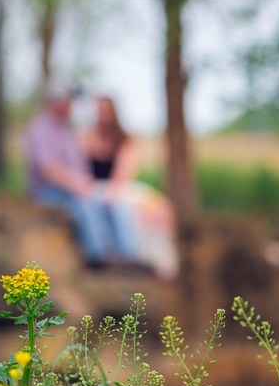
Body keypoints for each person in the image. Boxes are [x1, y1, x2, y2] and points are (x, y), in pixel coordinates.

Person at [24, 86, 140, 267]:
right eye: (68, 101)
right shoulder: (41, 129)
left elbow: (81, 166)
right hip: (49, 190)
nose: (71, 105)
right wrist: (76, 183)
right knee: (87, 204)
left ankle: (126, 255)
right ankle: (99, 256)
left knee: (110, 203)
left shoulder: (67, 130)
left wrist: (84, 183)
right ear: (57, 103)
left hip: (76, 188)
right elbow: (47, 168)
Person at [81, 95, 179, 279]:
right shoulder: (86, 138)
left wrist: (113, 191)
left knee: (160, 208)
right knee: (120, 208)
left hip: (117, 187)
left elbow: (123, 174)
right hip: (94, 188)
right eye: (99, 110)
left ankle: (158, 264)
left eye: (105, 110)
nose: (102, 114)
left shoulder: (125, 140)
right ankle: (125, 253)